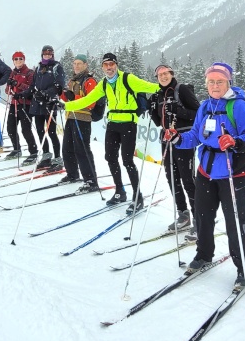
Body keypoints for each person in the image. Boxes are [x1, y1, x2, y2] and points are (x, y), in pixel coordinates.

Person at [163, 62, 245, 289]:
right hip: (206, 170)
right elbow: (195, 137)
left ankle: (244, 266)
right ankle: (204, 255)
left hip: (234, 171)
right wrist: (177, 138)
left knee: (234, 221)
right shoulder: (205, 106)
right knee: (202, 216)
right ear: (206, 84)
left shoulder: (237, 106)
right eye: (211, 81)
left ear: (228, 82)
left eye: (220, 81)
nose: (215, 85)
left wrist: (236, 142)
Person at [62, 53, 160, 213]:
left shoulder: (128, 79)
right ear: (102, 67)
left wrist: (172, 86)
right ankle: (120, 191)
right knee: (110, 158)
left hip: (128, 123)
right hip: (112, 124)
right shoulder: (104, 84)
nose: (109, 68)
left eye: (111, 64)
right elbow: (87, 100)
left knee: (128, 161)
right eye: (106, 65)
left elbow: (150, 87)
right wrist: (65, 106)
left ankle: (137, 197)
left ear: (116, 65)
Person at [148, 64, 200, 238]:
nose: (163, 77)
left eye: (166, 73)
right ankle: (183, 214)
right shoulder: (159, 94)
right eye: (159, 75)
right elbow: (159, 122)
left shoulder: (182, 90)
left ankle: (199, 219)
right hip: (166, 138)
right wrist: (152, 110)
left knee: (188, 179)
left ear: (171, 74)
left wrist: (179, 111)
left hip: (184, 138)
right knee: (172, 178)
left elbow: (198, 112)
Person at [17, 45, 65, 170]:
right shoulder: (38, 67)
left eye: (49, 54)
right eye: (45, 54)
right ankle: (46, 156)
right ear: (42, 55)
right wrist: (22, 94)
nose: (47, 56)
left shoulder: (57, 67)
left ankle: (58, 159)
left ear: (53, 55)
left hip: (49, 104)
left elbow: (59, 85)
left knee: (52, 132)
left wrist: (46, 93)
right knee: (40, 132)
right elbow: (33, 86)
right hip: (37, 104)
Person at [59, 54, 100, 192]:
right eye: (74, 63)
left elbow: (91, 102)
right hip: (71, 117)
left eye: (79, 63)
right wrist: (61, 92)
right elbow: (68, 99)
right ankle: (72, 174)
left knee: (82, 149)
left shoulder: (89, 81)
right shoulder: (73, 80)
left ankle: (91, 180)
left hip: (83, 119)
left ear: (85, 65)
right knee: (67, 148)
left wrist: (74, 97)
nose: (76, 66)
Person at [4, 51, 38, 161]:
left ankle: (33, 152)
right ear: (13, 61)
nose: (18, 61)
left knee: (26, 130)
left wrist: (17, 84)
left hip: (25, 104)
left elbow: (30, 89)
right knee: (10, 128)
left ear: (24, 60)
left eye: (20, 58)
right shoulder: (13, 73)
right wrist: (9, 84)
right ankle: (16, 149)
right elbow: (7, 91)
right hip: (14, 104)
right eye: (16, 59)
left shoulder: (29, 73)